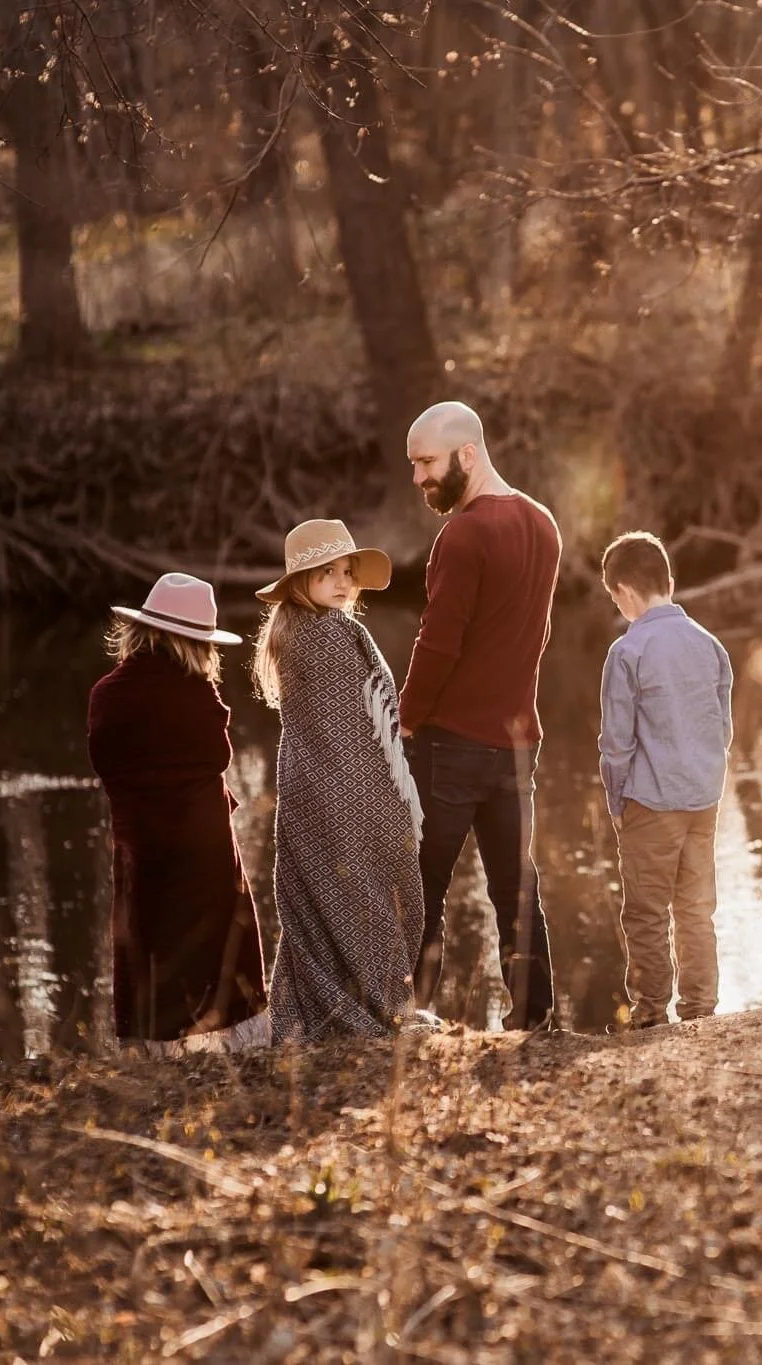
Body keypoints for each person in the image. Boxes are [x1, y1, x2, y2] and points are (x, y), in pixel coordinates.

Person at [400, 401, 562, 1029]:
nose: (418, 478)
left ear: (468, 455)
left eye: (427, 463)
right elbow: (538, 637)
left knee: (421, 887)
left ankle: (409, 1016)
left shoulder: (463, 534)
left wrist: (405, 721)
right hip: (517, 744)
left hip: (449, 746)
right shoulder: (543, 523)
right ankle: (535, 1020)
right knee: (517, 890)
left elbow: (438, 643)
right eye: (414, 465)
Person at [253, 519, 427, 1043]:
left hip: (308, 785)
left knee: (324, 897)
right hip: (338, 790)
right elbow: (351, 728)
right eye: (325, 572)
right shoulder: (328, 632)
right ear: (299, 583)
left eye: (346, 571)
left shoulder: (295, 630)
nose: (341, 581)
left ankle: (318, 1007)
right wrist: (384, 798)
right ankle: (375, 1006)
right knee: (367, 893)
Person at [88, 572, 269, 1050]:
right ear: (194, 643)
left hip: (139, 842)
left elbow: (107, 765)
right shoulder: (195, 694)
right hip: (201, 843)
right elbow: (216, 757)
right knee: (217, 947)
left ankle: (153, 1046)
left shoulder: (106, 694)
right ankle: (226, 1043)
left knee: (147, 941)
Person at [597, 531, 735, 1028]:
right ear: (670, 583)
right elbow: (723, 729)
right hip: (703, 798)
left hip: (651, 803)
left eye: (615, 597)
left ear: (624, 593)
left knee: (647, 914)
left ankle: (651, 1013)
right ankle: (701, 1011)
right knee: (697, 909)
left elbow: (617, 743)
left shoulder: (628, 651)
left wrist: (617, 802)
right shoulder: (710, 645)